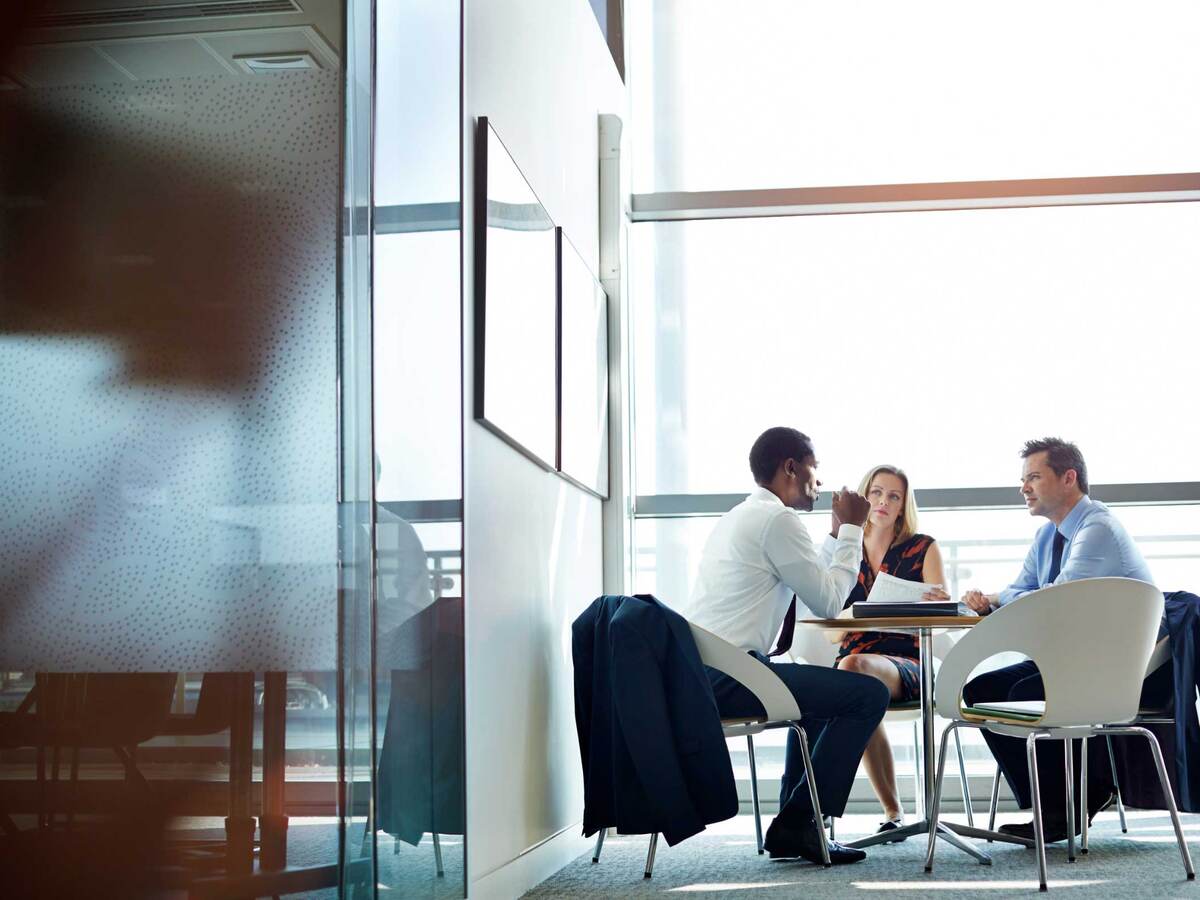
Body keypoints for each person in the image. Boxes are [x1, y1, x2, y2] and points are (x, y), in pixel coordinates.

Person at [686, 427, 891, 865]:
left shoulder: (749, 516)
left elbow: (810, 575)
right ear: (792, 468)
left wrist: (837, 534)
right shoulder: (777, 520)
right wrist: (854, 528)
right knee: (867, 694)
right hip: (732, 675)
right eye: (815, 468)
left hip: (711, 672)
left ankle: (796, 825)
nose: (820, 481)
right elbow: (830, 600)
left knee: (823, 696)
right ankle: (799, 822)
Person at [960, 437, 1154, 843]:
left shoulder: (1097, 528)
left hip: (1113, 666)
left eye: (1034, 476)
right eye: (1023, 479)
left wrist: (1000, 598)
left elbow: (1053, 599)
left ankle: (1073, 801)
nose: (1023, 487)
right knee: (982, 691)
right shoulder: (1048, 537)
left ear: (1069, 478)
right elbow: (1023, 592)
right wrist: (993, 600)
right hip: (1068, 657)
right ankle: (1062, 803)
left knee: (1025, 692)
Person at [823, 465, 949, 839]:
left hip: (910, 661)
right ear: (863, 498)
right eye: (876, 493)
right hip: (853, 660)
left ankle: (887, 811)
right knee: (855, 674)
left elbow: (940, 621)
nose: (882, 502)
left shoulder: (923, 547)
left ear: (902, 506)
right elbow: (831, 636)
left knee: (854, 673)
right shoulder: (845, 549)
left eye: (893, 496)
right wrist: (859, 614)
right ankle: (890, 811)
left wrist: (938, 603)